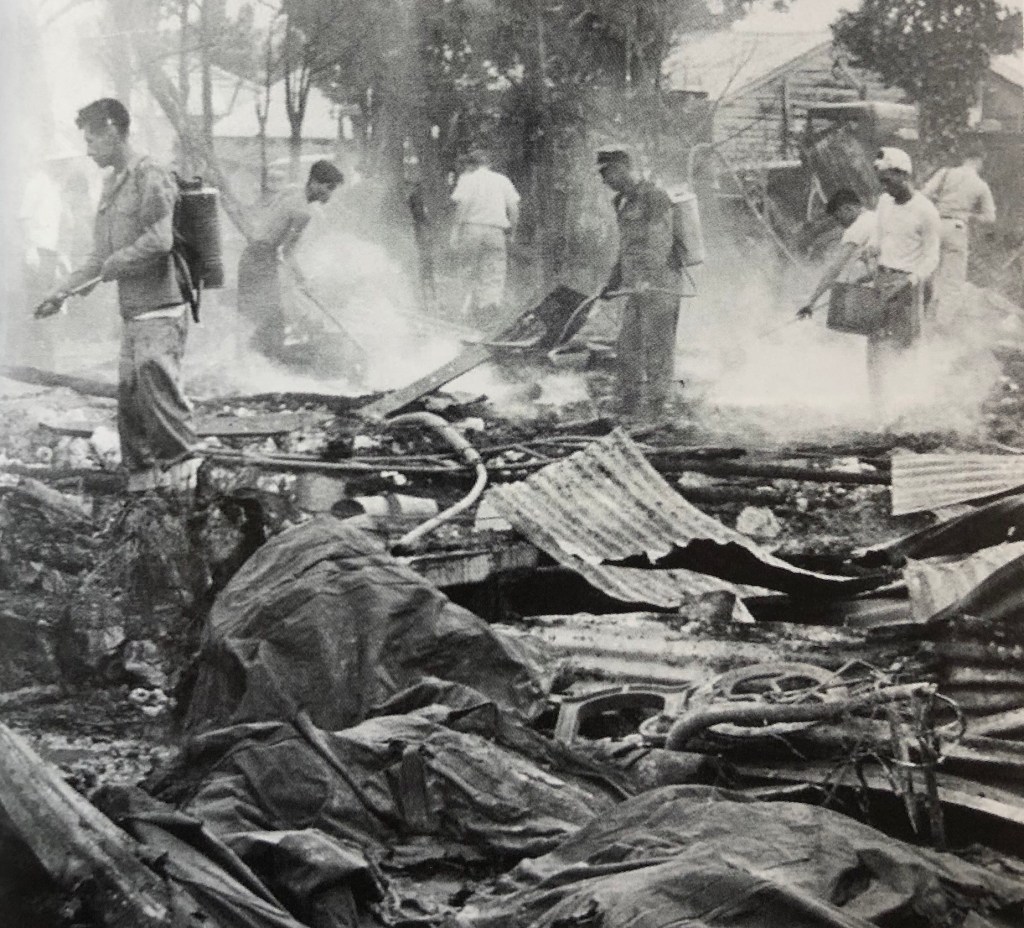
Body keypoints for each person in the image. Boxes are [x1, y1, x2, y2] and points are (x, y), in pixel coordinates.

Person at [38, 98, 198, 493]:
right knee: (131, 409)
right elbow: (97, 255)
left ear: (112, 130)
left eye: (92, 140)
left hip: (161, 310)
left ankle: (188, 496)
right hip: (134, 314)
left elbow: (160, 241)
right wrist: (60, 292)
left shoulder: (152, 175)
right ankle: (141, 497)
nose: (88, 150)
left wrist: (114, 265)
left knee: (161, 404)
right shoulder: (112, 184)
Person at [597, 148, 681, 424]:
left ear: (623, 167)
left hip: (660, 282)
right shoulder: (621, 201)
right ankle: (628, 399)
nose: (603, 179)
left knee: (657, 343)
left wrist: (648, 277)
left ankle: (657, 404)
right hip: (635, 285)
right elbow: (627, 249)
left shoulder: (654, 197)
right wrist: (612, 282)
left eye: (606, 171)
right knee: (628, 342)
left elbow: (660, 241)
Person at [237, 159, 344, 358]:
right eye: (328, 188)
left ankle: (248, 359)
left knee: (254, 315)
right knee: (270, 320)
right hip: (261, 261)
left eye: (333, 189)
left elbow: (272, 230)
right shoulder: (303, 212)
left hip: (250, 257)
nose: (329, 195)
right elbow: (287, 252)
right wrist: (302, 279)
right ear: (314, 182)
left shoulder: (291, 192)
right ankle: (262, 366)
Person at [867, 147, 941, 422]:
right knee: (875, 343)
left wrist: (910, 281)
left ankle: (903, 410)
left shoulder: (926, 211)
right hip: (883, 277)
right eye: (881, 182)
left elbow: (932, 257)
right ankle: (878, 409)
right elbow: (880, 235)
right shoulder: (884, 202)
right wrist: (872, 249)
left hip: (907, 284)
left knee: (903, 346)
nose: (884, 188)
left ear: (903, 174)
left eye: (888, 180)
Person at [449, 148, 520, 328]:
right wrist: (512, 232)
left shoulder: (467, 179)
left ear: (472, 164)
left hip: (471, 230)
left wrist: (455, 231)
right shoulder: (502, 180)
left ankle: (463, 314)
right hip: (495, 232)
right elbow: (513, 208)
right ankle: (487, 316)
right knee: (493, 274)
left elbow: (462, 205)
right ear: (489, 163)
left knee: (468, 270)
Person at [920, 140, 996, 301]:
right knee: (952, 280)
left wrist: (937, 201)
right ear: (979, 159)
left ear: (965, 157)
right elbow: (990, 217)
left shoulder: (945, 173)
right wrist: (971, 216)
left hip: (935, 224)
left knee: (926, 271)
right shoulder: (981, 185)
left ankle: (920, 315)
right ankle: (942, 322)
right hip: (957, 228)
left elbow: (924, 194)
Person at [798, 188, 876, 317]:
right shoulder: (875, 216)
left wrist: (811, 303)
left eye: (838, 217)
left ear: (847, 209)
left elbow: (835, 268)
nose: (839, 223)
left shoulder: (856, 228)